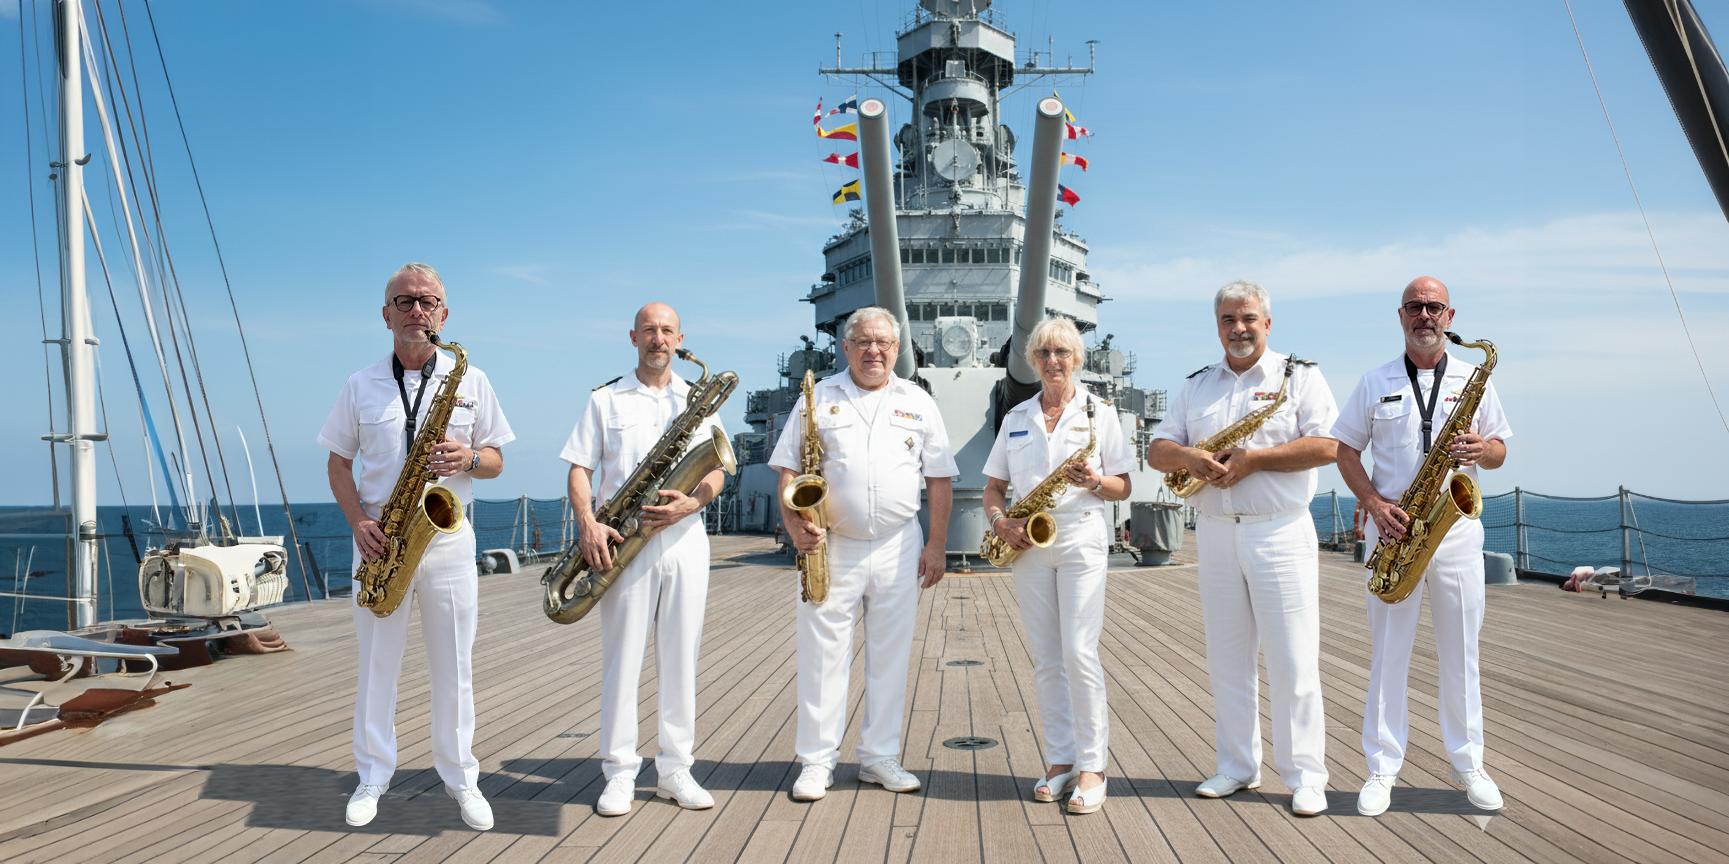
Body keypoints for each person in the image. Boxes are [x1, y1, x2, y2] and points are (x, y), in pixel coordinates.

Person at [321, 263, 513, 831]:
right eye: (404, 301)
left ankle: (462, 779)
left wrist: (470, 458)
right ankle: (372, 776)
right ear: (386, 315)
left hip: (447, 539)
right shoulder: (359, 385)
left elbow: (497, 460)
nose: (416, 310)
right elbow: (337, 464)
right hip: (379, 540)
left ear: (443, 314)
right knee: (376, 667)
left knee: (454, 666)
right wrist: (358, 521)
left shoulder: (472, 380)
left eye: (427, 301)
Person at [1147, 280, 1339, 816]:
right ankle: (1237, 765)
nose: (1239, 328)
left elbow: (1329, 445)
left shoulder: (1300, 377)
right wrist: (1189, 457)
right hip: (1215, 531)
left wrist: (1256, 459)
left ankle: (1306, 777)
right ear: (1217, 326)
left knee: (1293, 659)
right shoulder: (1197, 386)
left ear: (1267, 323)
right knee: (1227, 658)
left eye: (1249, 318)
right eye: (1229, 319)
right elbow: (1157, 450)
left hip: (1279, 530)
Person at [1331, 276, 1512, 817]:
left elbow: (1500, 450)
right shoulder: (1375, 381)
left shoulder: (1473, 378)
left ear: (1450, 316)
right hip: (1394, 532)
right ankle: (1382, 768)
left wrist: (1483, 449)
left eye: (1434, 307)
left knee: (1462, 653)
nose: (1425, 315)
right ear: (1401, 315)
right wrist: (1373, 503)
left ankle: (1469, 763)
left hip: (1455, 534)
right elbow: (1345, 451)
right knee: (1388, 655)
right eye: (1415, 306)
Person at [771, 306, 957, 802]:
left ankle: (879, 757)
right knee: (822, 655)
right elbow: (788, 470)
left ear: (897, 349)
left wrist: (936, 544)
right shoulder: (817, 398)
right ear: (847, 348)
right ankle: (816, 761)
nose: (874, 351)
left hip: (899, 544)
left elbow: (939, 478)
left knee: (890, 656)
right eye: (864, 342)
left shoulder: (917, 401)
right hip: (831, 543)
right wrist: (795, 527)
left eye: (884, 343)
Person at [560, 302, 728, 817]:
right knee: (623, 659)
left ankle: (676, 770)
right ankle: (619, 773)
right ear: (633, 337)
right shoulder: (605, 399)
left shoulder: (697, 400)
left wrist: (693, 503)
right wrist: (587, 523)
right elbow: (579, 468)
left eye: (667, 330)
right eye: (649, 330)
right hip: (622, 540)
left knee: (681, 658)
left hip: (684, 539)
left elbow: (719, 468)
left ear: (680, 339)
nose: (658, 338)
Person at [983, 316, 1133, 815]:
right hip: (1028, 541)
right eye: (1044, 353)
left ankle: (1093, 766)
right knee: (1047, 658)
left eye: (1062, 352)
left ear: (1077, 359)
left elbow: (1123, 486)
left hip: (1080, 538)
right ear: (1033, 360)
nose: (1053, 361)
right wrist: (1002, 522)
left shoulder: (1100, 413)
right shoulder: (1017, 416)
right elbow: (993, 488)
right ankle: (1060, 759)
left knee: (1079, 652)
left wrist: (1094, 481)